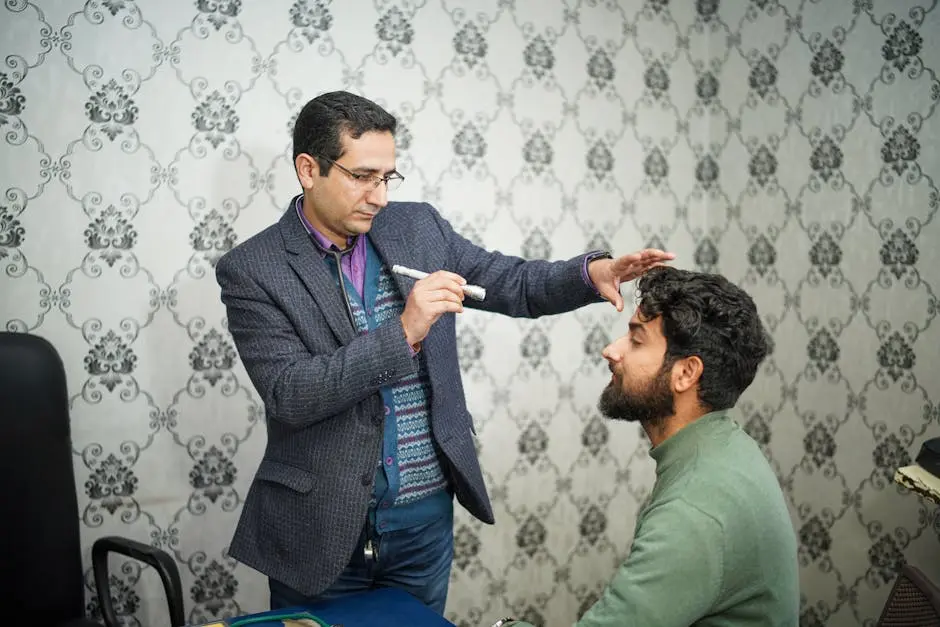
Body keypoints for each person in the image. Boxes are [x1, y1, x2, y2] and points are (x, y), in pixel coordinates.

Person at [213, 90, 675, 612]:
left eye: (387, 177)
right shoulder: (253, 269)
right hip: (318, 527)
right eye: (362, 176)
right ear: (308, 169)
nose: (379, 196)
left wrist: (591, 274)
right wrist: (404, 330)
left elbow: (510, 281)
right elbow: (291, 394)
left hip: (422, 524)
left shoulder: (417, 226)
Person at [492, 267, 799, 627]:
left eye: (636, 341)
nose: (611, 351)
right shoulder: (728, 445)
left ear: (686, 373)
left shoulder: (693, 512)